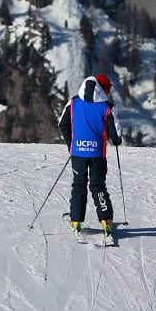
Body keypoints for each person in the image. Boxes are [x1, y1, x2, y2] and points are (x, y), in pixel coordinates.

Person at [58, 74, 122, 241]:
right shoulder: (107, 107)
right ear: (101, 88)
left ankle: (76, 221)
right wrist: (115, 140)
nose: (108, 93)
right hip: (97, 155)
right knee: (98, 187)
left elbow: (62, 125)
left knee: (79, 185)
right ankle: (106, 221)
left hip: (78, 153)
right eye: (107, 89)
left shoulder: (73, 103)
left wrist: (71, 145)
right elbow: (116, 136)